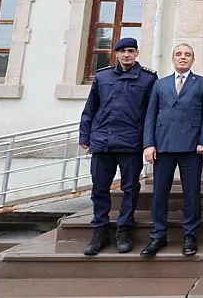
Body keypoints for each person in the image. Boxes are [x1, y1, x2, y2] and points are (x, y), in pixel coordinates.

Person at [79, 37, 157, 256]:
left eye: (131, 51)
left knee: (130, 189)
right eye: (122, 51)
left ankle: (124, 230)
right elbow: (90, 109)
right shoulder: (103, 76)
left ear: (137, 53)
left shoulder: (148, 79)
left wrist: (149, 142)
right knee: (99, 189)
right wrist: (85, 136)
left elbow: (151, 114)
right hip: (103, 142)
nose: (126, 55)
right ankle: (100, 231)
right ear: (116, 54)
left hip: (130, 142)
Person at [140, 44, 203, 257]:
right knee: (159, 192)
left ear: (193, 60)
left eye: (187, 55)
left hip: (191, 147)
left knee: (191, 193)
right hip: (162, 146)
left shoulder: (202, 84)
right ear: (172, 58)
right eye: (179, 54)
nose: (183, 58)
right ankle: (158, 235)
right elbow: (150, 115)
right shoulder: (160, 84)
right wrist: (148, 144)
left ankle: (190, 234)